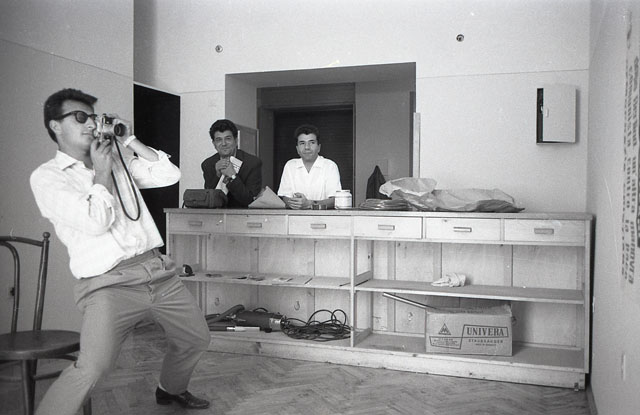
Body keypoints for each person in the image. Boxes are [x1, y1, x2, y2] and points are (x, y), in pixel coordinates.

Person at [30, 88, 211, 415]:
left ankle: (170, 389)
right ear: (55, 126)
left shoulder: (116, 159)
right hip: (109, 284)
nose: (90, 124)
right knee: (93, 368)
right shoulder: (48, 178)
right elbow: (95, 221)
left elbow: (170, 174)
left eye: (92, 117)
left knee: (195, 338)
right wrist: (101, 173)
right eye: (80, 117)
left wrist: (129, 140)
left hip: (157, 272)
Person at [277, 124, 342, 209]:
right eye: (302, 143)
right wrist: (295, 203)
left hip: (323, 216)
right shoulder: (290, 165)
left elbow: (335, 200)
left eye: (312, 142)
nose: (307, 147)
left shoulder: (330, 166)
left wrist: (310, 204)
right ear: (297, 149)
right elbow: (285, 196)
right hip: (295, 215)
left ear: (319, 147)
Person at [201, 119, 262, 207]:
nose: (224, 143)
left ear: (236, 141)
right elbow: (208, 200)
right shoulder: (208, 164)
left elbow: (250, 201)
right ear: (214, 144)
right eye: (218, 140)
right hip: (217, 214)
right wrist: (217, 175)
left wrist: (232, 176)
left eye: (228, 139)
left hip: (242, 214)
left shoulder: (252, 163)